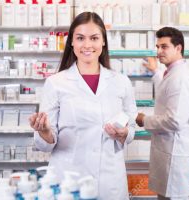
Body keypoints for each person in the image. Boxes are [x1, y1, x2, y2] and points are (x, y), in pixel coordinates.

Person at [29, 12, 137, 200]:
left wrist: (125, 133)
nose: (87, 45)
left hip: (109, 180)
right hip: (70, 179)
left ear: (103, 41)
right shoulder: (56, 83)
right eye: (80, 38)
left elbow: (132, 126)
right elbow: (45, 142)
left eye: (94, 38)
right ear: (71, 42)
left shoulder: (121, 82)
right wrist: (45, 132)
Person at [136, 27, 189, 200]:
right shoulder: (172, 73)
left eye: (164, 47)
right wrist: (156, 71)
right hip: (168, 150)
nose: (159, 51)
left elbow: (175, 121)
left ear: (178, 48)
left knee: (174, 197)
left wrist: (144, 120)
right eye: (157, 47)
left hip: (176, 154)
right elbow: (166, 89)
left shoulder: (181, 77)